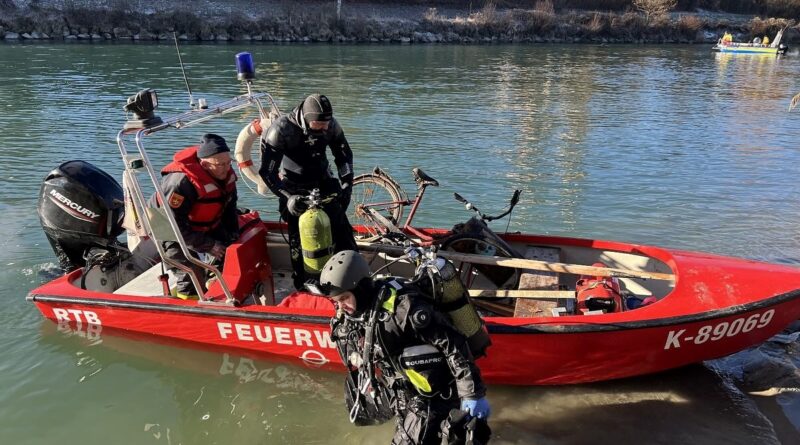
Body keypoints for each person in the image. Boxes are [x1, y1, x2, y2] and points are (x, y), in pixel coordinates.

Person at [317, 250, 491, 445]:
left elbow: (454, 345)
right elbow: (347, 341)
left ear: (361, 289)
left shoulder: (406, 310)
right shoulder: (357, 312)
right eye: (336, 301)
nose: (341, 307)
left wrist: (472, 393)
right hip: (403, 392)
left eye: (344, 298)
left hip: (433, 397)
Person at [258, 94, 357, 290]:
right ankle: (303, 284)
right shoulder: (281, 130)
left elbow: (344, 156)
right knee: (299, 239)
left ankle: (351, 278)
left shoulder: (331, 125)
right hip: (293, 188)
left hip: (324, 182)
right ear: (307, 119)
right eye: (319, 124)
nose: (325, 128)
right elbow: (267, 172)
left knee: (343, 233)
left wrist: (347, 184)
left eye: (327, 123)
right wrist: (287, 197)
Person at [157, 133, 239, 299]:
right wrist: (208, 245)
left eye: (228, 162)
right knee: (190, 274)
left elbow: (230, 208)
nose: (226, 168)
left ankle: (215, 282)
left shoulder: (225, 175)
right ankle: (189, 301)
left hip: (204, 222)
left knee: (231, 252)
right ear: (205, 164)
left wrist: (232, 237)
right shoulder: (181, 183)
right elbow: (172, 224)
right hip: (166, 227)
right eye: (220, 164)